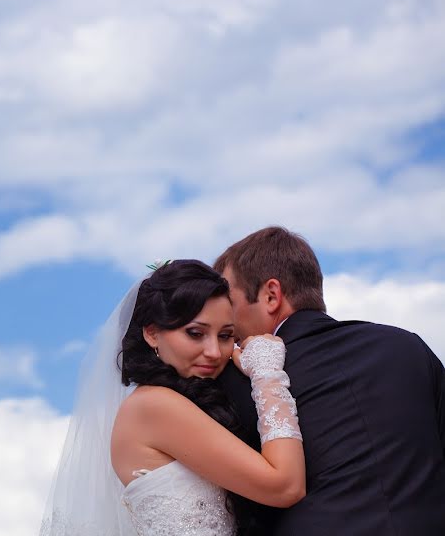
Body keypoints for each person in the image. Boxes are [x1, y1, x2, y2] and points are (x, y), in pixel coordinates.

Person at [40, 259, 305, 536]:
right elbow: (285, 485)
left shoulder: (172, 403)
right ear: (152, 333)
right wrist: (267, 372)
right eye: (195, 333)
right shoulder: (153, 406)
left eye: (226, 335)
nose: (215, 351)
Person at [214, 226, 445, 534]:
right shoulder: (409, 347)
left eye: (230, 302)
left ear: (271, 295)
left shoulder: (244, 379)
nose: (226, 321)